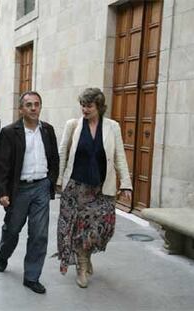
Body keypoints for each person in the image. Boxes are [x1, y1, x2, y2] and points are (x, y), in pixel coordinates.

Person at [56, 87, 132, 288]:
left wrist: (126, 184)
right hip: (76, 188)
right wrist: (58, 180)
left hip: (101, 188)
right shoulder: (73, 125)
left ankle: (86, 255)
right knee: (79, 230)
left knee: (100, 229)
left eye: (89, 106)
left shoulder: (112, 127)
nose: (84, 109)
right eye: (82, 105)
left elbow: (119, 157)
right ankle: (81, 266)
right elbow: (63, 152)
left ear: (99, 107)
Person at [0, 91, 59, 294]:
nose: (33, 108)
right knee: (12, 230)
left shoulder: (48, 130)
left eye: (36, 104)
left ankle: (32, 277)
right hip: (19, 189)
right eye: (28, 105)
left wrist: (50, 182)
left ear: (40, 107)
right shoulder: (9, 132)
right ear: (21, 109)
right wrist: (3, 192)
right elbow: (1, 165)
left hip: (41, 187)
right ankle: (4, 254)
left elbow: (54, 159)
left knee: (39, 235)